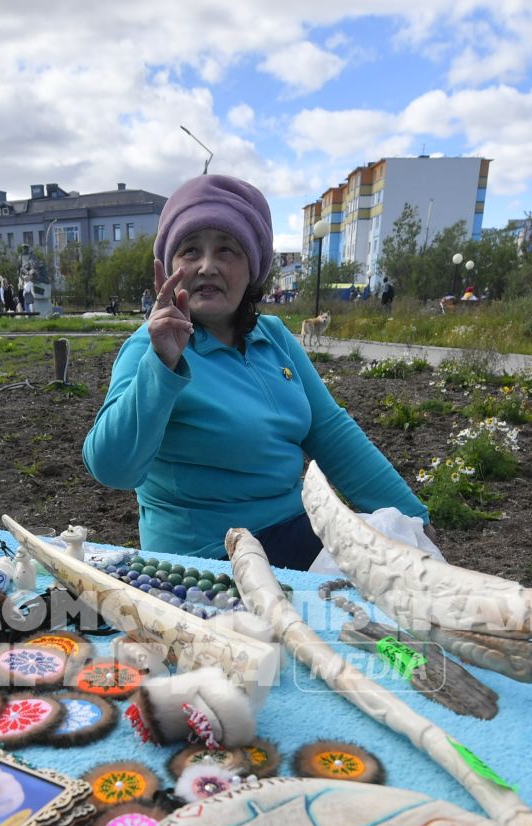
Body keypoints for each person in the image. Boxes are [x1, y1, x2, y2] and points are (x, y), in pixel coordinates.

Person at [83, 175, 426, 569]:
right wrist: (161, 365)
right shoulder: (152, 346)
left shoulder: (274, 336)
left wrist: (416, 518)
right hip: (209, 561)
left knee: (407, 569)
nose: (207, 266)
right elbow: (111, 467)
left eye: (227, 250)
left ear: (253, 269)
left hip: (296, 533)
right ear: (169, 267)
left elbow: (331, 431)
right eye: (190, 250)